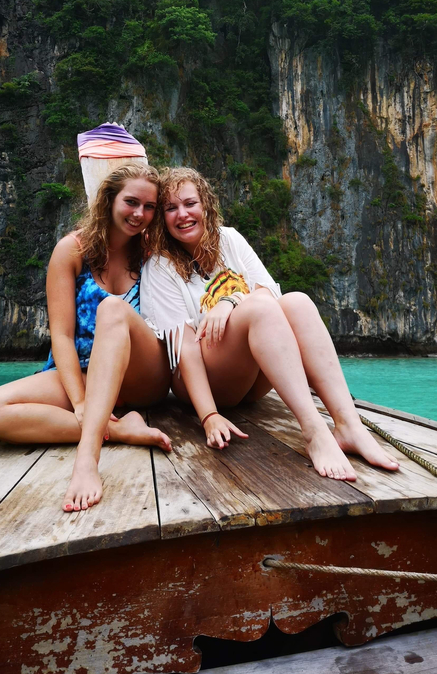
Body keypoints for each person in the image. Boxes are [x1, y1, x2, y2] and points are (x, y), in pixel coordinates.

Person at [140, 167, 399, 481]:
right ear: (163, 219)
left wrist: (229, 302)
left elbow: (268, 290)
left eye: (190, 203)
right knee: (261, 309)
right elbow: (181, 347)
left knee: (297, 301)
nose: (182, 214)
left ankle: (348, 425)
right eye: (171, 208)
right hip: (202, 380)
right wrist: (209, 415)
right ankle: (315, 432)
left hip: (250, 380)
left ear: (206, 205)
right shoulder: (160, 265)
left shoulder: (229, 239)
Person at [0, 164, 173, 511]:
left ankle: (86, 458)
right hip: (84, 372)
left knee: (113, 310)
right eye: (131, 202)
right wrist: (80, 403)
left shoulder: (153, 253)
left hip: (142, 375)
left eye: (149, 206)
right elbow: (60, 336)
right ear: (108, 200)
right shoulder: (73, 250)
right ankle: (119, 430)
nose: (140, 213)